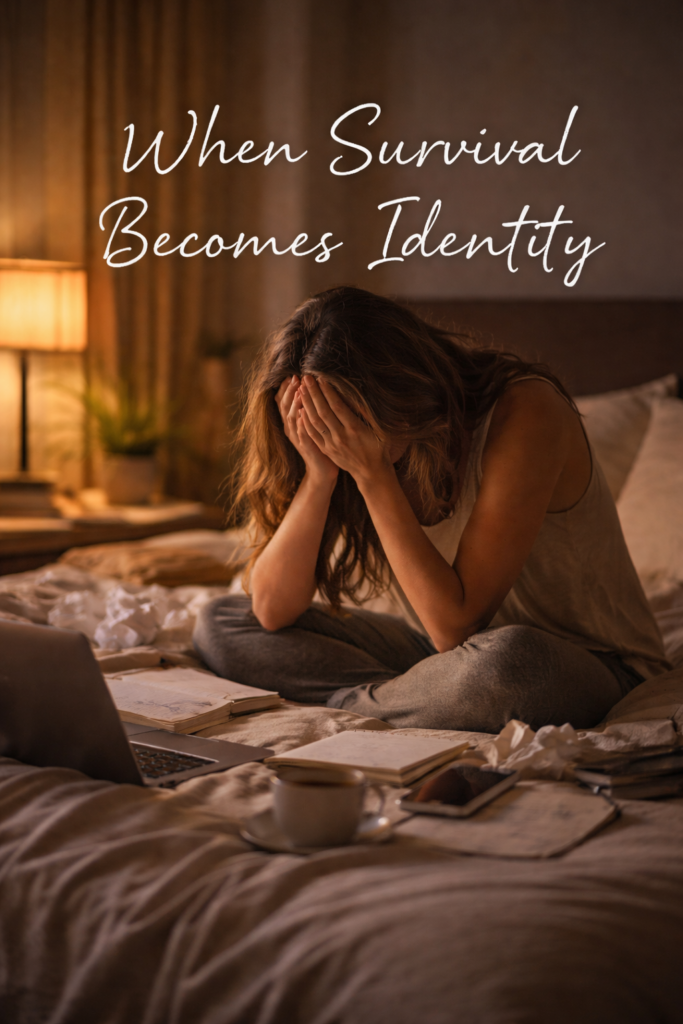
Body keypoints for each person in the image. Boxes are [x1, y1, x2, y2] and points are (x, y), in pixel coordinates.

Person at [194, 287, 669, 733]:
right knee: (222, 622)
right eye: (321, 422)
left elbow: (456, 626)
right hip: (439, 655)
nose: (336, 434)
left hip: (586, 661)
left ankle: (361, 703)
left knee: (512, 664)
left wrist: (373, 476)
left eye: (346, 417)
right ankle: (406, 698)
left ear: (401, 388)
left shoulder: (527, 410)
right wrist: (319, 476)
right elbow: (272, 611)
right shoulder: (342, 452)